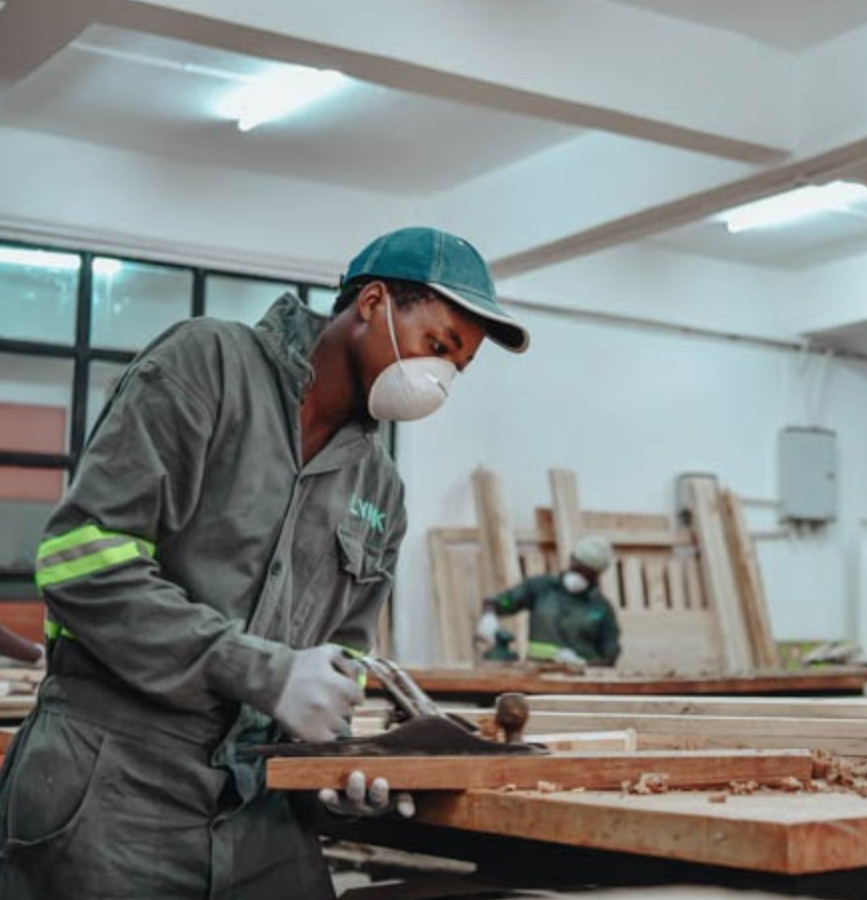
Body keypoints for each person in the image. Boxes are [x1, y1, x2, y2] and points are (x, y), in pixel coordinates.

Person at [0, 226, 529, 899]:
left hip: (258, 806)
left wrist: (337, 774)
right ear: (371, 304)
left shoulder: (381, 491)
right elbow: (81, 563)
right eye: (437, 346)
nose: (441, 378)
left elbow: (340, 665)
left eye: (459, 367)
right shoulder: (207, 366)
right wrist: (264, 672)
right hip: (112, 789)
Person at [476, 535, 622, 667]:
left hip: (580, 684)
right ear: (571, 560)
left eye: (587, 574)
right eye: (578, 569)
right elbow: (505, 602)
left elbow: (609, 657)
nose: (579, 576)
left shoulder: (601, 609)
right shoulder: (540, 588)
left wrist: (582, 664)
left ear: (596, 576)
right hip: (536, 675)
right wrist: (490, 612)